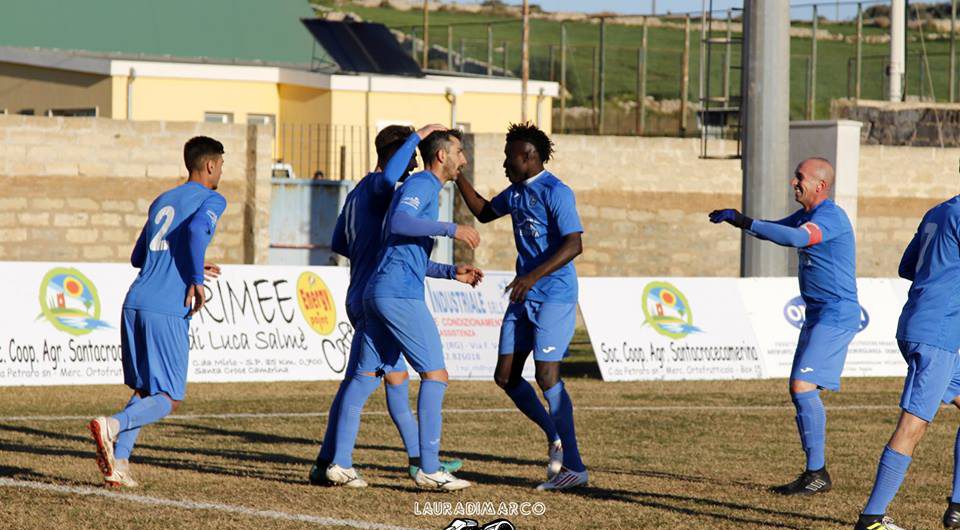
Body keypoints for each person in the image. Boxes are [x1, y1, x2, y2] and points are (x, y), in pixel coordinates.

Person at [309, 123, 473, 486]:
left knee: (384, 378)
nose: (412, 165)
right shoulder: (384, 187)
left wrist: (383, 253)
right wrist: (419, 134)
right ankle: (424, 467)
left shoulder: (357, 194)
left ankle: (336, 461)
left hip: (365, 289)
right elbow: (398, 216)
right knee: (412, 376)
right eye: (409, 157)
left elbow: (340, 242)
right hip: (384, 292)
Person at [709, 157, 859, 496]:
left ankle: (817, 473)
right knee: (801, 390)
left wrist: (745, 220)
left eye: (800, 177)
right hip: (816, 314)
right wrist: (739, 223)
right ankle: (814, 471)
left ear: (820, 185)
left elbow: (796, 239)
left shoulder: (830, 217)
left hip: (836, 315)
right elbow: (777, 228)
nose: (794, 182)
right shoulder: (807, 215)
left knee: (802, 387)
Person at [454, 122, 588, 491]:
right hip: (523, 295)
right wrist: (457, 176)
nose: (503, 163)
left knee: (547, 376)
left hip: (554, 295)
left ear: (528, 156)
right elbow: (482, 211)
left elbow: (573, 244)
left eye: (508, 156)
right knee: (506, 377)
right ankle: (554, 434)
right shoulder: (514, 193)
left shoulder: (557, 192)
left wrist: (532, 277)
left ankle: (574, 468)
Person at [88, 136, 228, 487]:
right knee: (169, 398)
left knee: (147, 389)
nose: (221, 171)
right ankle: (112, 426)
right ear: (211, 165)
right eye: (222, 164)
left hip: (135, 301)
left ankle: (119, 462)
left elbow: (138, 257)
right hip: (166, 307)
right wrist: (195, 276)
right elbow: (197, 229)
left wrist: (185, 259)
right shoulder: (213, 198)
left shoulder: (162, 200)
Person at [852, 186, 960, 530]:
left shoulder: (938, 212)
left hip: (918, 322)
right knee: (912, 426)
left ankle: (958, 507)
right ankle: (871, 518)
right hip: (937, 333)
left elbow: (906, 266)